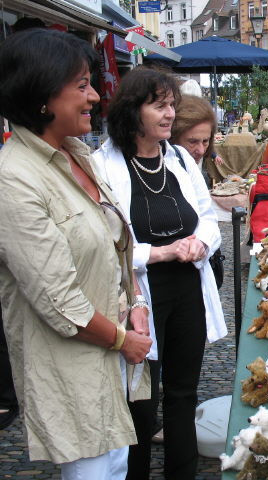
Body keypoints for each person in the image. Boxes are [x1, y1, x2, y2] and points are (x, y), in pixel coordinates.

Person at [0, 29, 152, 479]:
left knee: (116, 468)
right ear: (42, 95)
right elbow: (58, 300)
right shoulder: (14, 179)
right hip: (73, 367)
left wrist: (137, 304)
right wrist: (124, 340)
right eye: (82, 85)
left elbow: (115, 245)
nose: (95, 97)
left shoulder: (76, 155)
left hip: (111, 355)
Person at [93, 67, 227, 480]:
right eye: (159, 106)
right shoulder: (103, 166)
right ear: (133, 111)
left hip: (187, 289)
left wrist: (200, 243)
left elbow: (207, 217)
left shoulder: (180, 158)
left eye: (171, 105)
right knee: (141, 402)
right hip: (139, 297)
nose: (170, 114)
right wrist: (160, 252)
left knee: (184, 394)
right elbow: (106, 243)